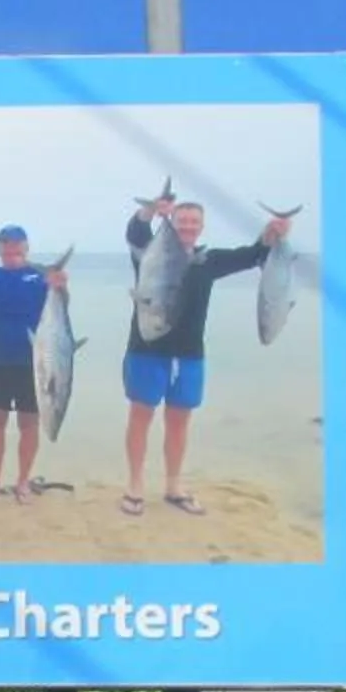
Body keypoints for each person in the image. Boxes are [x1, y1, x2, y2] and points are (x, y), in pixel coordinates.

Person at [119, 194, 292, 517]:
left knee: (179, 422)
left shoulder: (208, 260)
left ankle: (173, 486)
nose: (187, 226)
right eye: (182, 220)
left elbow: (254, 255)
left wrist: (273, 233)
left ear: (201, 227)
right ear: (172, 222)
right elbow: (136, 230)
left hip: (189, 356)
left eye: (193, 222)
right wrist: (151, 210)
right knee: (140, 418)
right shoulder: (148, 254)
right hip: (146, 350)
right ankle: (135, 486)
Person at [0, 223, 68, 501]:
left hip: (35, 364)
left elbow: (62, 304)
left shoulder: (39, 276)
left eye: (17, 251)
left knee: (29, 424)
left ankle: (22, 482)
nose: (12, 256)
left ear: (26, 249)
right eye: (7, 250)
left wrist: (60, 287)